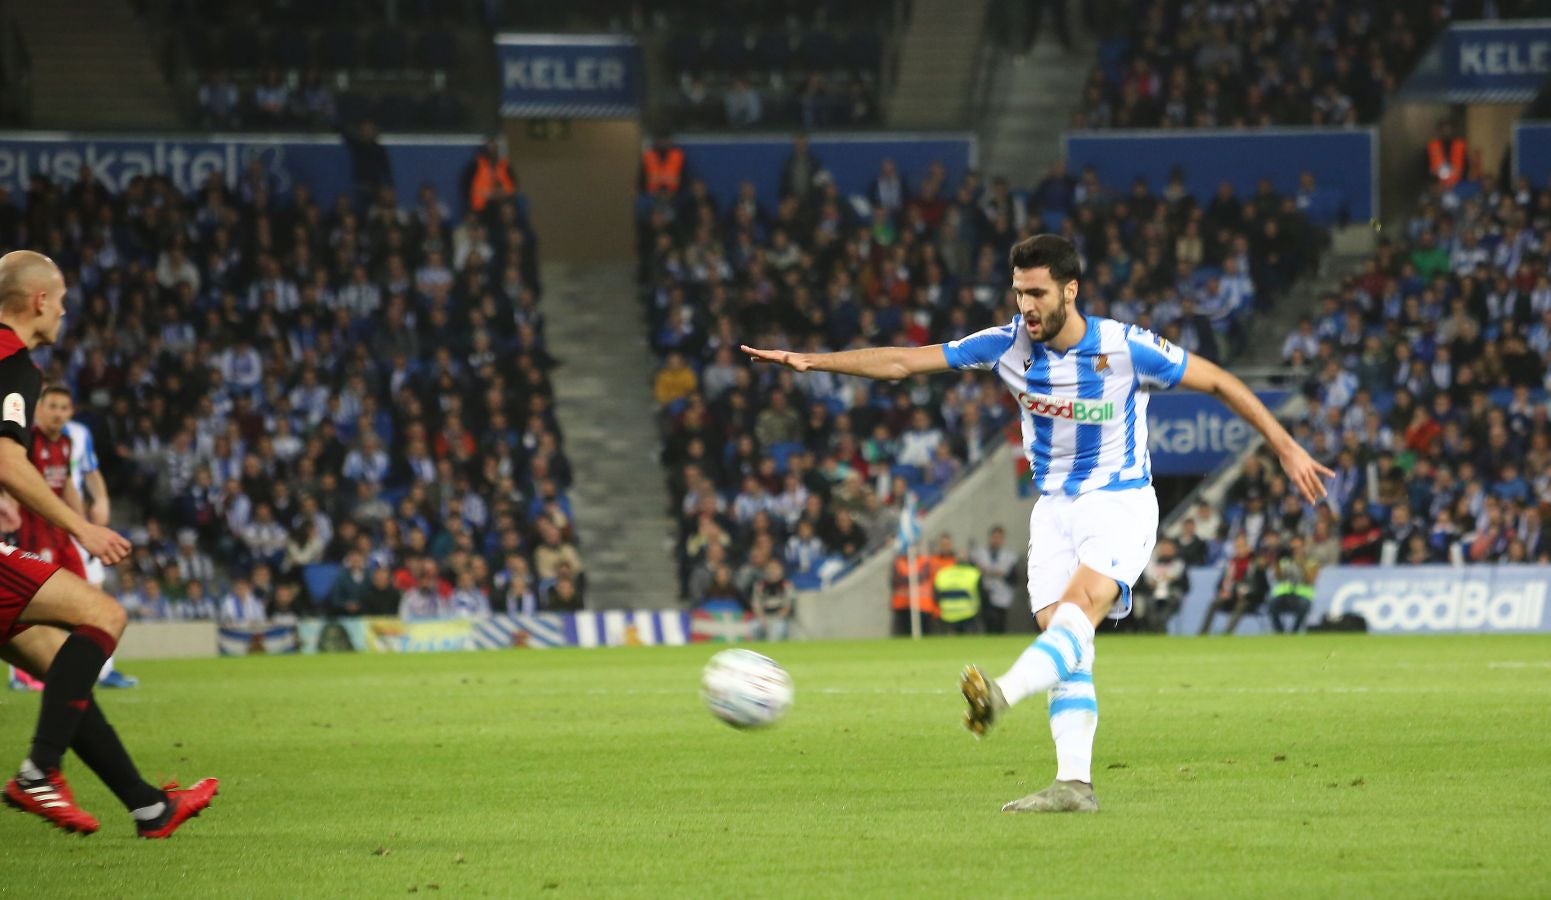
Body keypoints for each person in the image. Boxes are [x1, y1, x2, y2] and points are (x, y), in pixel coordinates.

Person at [743, 234, 1331, 813]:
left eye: (1037, 292)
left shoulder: (1126, 348)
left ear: (1069, 291)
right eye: (1018, 291)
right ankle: (1074, 784)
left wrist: (1284, 447)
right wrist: (812, 360)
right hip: (1052, 511)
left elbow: (1221, 382)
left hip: (1117, 500)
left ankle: (1002, 694)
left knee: (1077, 611)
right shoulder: (1006, 344)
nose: (1025, 305)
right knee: (1067, 645)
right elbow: (903, 361)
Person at [0, 251, 217, 837]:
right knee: (103, 613)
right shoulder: (15, 364)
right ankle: (39, 772)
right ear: (39, 301)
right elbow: (7, 460)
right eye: (63, 299)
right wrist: (83, 527)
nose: (66, 311)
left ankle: (149, 806)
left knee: (57, 668)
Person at [969, 525, 1018, 634]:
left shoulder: (1009, 556)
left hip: (1003, 594)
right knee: (988, 623)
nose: (996, 540)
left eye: (999, 538)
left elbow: (1014, 578)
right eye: (994, 537)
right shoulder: (979, 554)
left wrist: (1003, 574)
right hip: (985, 593)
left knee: (1000, 623)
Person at [932, 542, 984, 635]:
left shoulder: (943, 573)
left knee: (948, 647)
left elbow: (936, 596)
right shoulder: (974, 573)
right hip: (968, 615)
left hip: (947, 616)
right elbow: (982, 595)